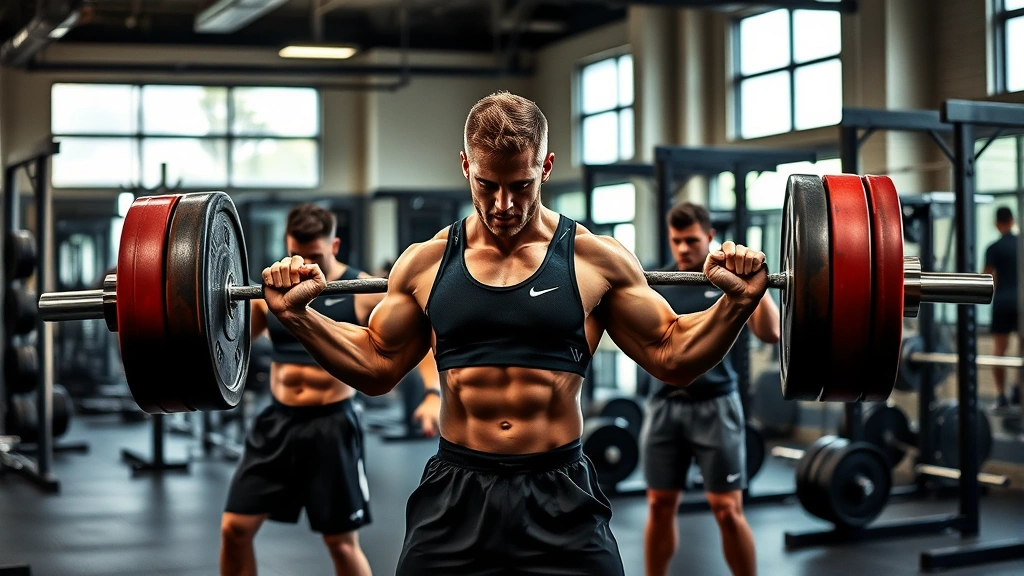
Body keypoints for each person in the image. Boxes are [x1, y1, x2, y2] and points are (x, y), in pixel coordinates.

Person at [260, 91, 769, 575]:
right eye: (487, 184)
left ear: (545, 168)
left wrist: (737, 303)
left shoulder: (595, 259)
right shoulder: (425, 263)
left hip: (559, 491)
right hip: (457, 489)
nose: (504, 204)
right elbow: (376, 365)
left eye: (521, 185)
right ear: (466, 166)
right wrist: (299, 317)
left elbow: (670, 354)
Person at [219, 203, 442, 576]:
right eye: (297, 253)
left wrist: (433, 396)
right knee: (234, 528)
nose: (305, 264)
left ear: (334, 245)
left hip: (332, 427)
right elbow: (229, 341)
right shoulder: (271, 290)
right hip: (278, 422)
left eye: (315, 255)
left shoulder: (360, 289)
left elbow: (417, 344)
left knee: (340, 543)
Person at [639, 202, 780, 576]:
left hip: (716, 406)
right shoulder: (660, 281)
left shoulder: (723, 281)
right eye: (677, 241)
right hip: (665, 405)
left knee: (727, 510)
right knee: (659, 505)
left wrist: (755, 284)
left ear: (709, 237)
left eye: (692, 240)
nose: (683, 249)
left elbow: (771, 333)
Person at [983, 206, 1021, 410]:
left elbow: (988, 279)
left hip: (1003, 302)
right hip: (1021, 303)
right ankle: (1018, 389)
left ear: (997, 223)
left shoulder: (993, 248)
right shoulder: (1021, 244)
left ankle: (1001, 395)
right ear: (1013, 221)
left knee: (999, 351)